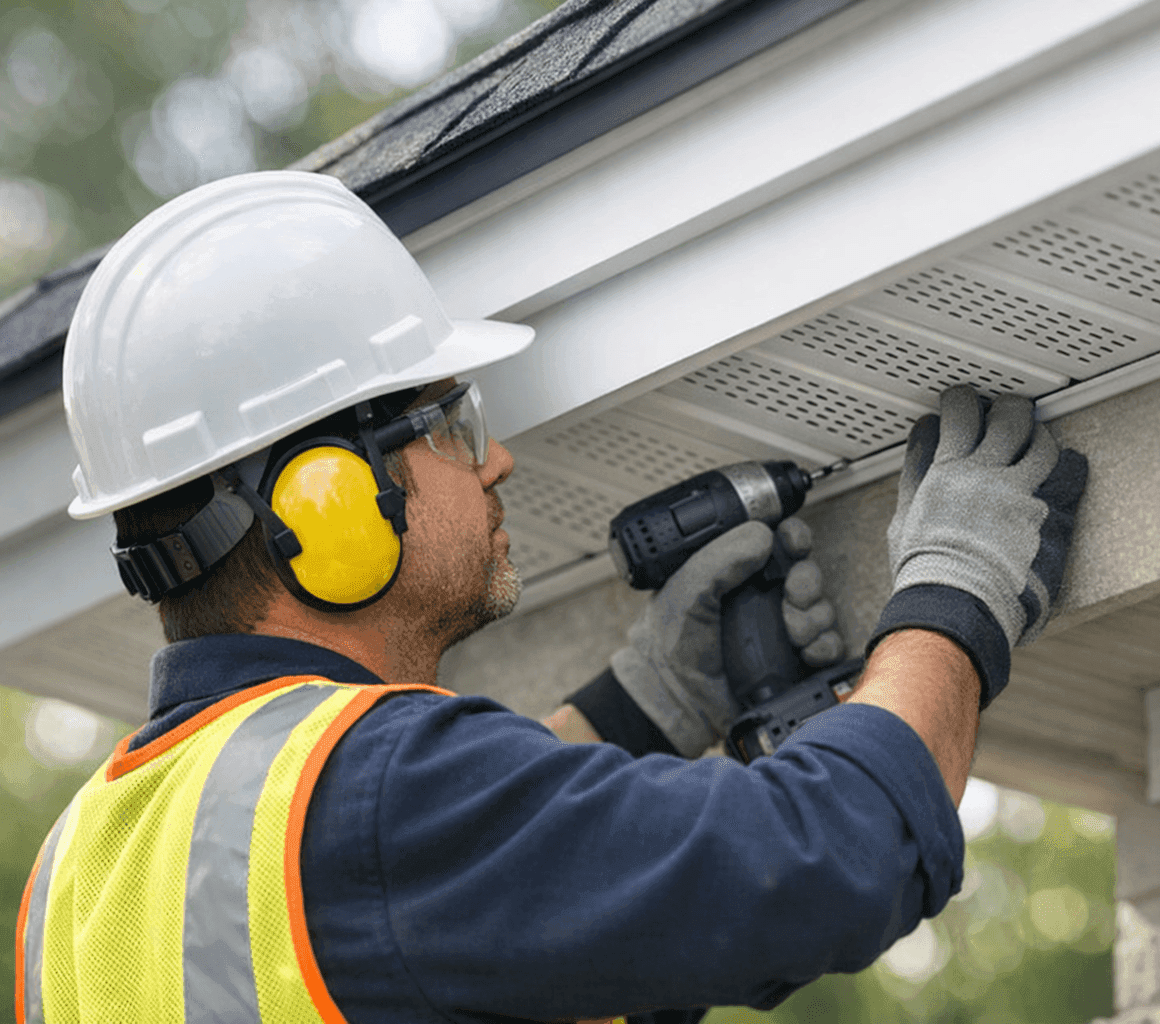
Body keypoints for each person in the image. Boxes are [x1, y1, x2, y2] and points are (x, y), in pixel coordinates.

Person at [15, 171, 1087, 1024]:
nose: (496, 462)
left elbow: (453, 948)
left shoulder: (70, 887)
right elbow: (825, 860)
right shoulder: (365, 792)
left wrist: (642, 707)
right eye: (449, 427)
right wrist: (955, 592)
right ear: (324, 502)